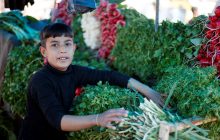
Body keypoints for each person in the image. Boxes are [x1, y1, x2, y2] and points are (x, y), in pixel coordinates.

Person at [18, 22, 163, 140]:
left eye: (67, 44)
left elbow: (109, 76)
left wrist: (149, 91)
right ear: (44, 52)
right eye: (55, 45)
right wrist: (98, 118)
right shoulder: (41, 80)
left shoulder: (74, 72)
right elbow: (59, 120)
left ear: (74, 49)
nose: (62, 50)